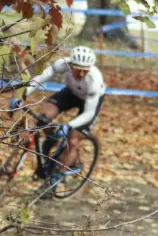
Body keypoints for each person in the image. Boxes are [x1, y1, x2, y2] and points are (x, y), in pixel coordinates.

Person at [10, 46, 105, 194]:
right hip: (71, 92)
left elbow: (88, 113)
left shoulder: (94, 79)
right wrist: (22, 95)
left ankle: (54, 180)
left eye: (85, 70)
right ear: (71, 65)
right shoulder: (62, 64)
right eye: (78, 69)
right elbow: (40, 78)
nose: (81, 73)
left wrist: (68, 125)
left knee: (73, 140)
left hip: (90, 102)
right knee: (44, 117)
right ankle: (50, 141)